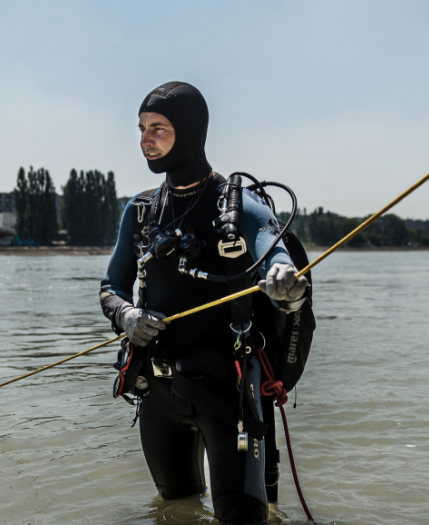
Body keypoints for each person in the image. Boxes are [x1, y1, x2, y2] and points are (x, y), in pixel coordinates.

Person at [99, 81, 308, 524]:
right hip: (157, 394)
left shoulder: (236, 207)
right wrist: (127, 315)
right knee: (175, 508)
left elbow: (274, 249)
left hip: (227, 394)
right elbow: (110, 286)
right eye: (141, 128)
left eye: (159, 128)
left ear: (191, 131)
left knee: (242, 518)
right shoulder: (138, 211)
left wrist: (283, 279)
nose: (145, 139)